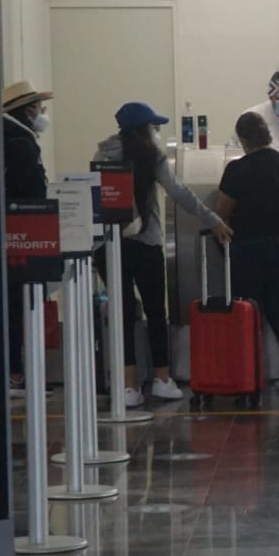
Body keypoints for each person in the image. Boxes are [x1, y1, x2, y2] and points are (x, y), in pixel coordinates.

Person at [96, 102, 233, 407]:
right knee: (156, 312)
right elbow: (180, 193)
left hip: (111, 246)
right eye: (154, 127)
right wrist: (213, 220)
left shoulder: (103, 155)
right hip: (146, 243)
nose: (156, 132)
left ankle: (129, 386)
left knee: (123, 312)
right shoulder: (152, 157)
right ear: (145, 129)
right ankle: (161, 379)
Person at [217, 112, 279, 392]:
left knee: (248, 311)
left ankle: (249, 376)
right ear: (266, 135)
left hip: (248, 248)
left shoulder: (236, 170)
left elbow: (222, 214)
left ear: (243, 139)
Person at [1, 80, 53, 399]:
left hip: (2, 230)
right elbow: (33, 188)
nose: (42, 113)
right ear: (27, 110)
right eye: (38, 108)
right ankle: (16, 374)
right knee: (18, 304)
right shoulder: (19, 140)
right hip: (21, 232)